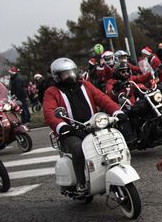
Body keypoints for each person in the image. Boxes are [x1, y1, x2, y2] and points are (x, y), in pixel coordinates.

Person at [43, 58, 126, 195]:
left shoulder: (85, 85)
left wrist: (117, 111)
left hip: (92, 126)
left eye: (72, 72)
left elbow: (103, 99)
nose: (70, 76)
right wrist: (62, 126)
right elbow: (49, 112)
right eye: (66, 74)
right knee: (78, 148)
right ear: (57, 76)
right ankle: (81, 183)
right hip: (70, 132)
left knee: (112, 139)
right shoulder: (52, 92)